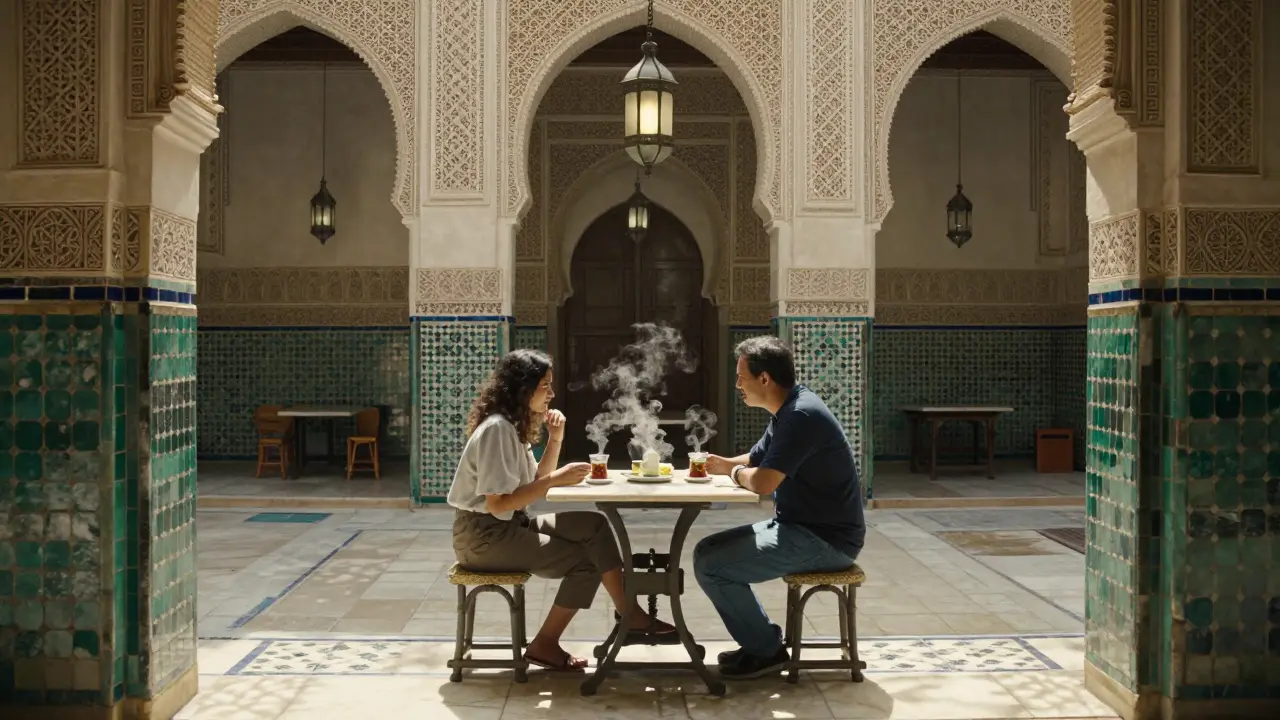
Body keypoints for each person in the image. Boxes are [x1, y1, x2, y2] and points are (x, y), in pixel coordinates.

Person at [447, 349, 674, 671]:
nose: (551, 394)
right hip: (484, 538)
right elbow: (499, 504)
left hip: (507, 526)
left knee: (593, 525)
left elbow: (535, 481)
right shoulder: (497, 429)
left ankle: (629, 612)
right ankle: (546, 644)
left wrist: (555, 439)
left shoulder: (510, 427)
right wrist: (556, 479)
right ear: (523, 388)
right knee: (586, 563)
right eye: (545, 385)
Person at [695, 336, 866, 679]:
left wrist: (732, 473)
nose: (737, 385)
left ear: (764, 379)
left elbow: (763, 482)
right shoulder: (788, 411)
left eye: (741, 377)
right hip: (798, 527)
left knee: (713, 565)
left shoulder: (801, 416)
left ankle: (766, 651)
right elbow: (756, 459)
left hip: (826, 540)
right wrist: (719, 464)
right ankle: (760, 643)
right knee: (706, 550)